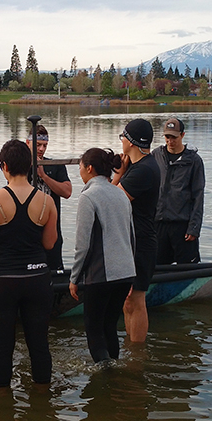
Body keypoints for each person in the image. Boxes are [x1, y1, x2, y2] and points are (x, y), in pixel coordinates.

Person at [0, 140, 58, 388]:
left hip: (2, 281)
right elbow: (49, 243)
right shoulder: (46, 201)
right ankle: (43, 404)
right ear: (30, 166)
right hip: (37, 279)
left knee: (2, 350)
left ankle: (1, 410)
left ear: (5, 166)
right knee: (39, 346)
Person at [68, 147, 136, 363]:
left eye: (80, 167)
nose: (79, 172)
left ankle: (104, 379)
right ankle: (115, 372)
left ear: (89, 168)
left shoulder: (88, 196)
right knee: (110, 327)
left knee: (94, 329)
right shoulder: (120, 194)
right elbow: (132, 236)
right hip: (126, 272)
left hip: (101, 274)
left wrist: (74, 278)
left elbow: (82, 244)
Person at [112, 118, 160, 343]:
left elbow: (111, 200)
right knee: (127, 300)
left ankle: (137, 354)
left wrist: (118, 175)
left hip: (140, 242)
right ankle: (132, 347)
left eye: (123, 136)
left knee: (136, 300)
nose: (121, 140)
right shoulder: (139, 167)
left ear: (130, 141)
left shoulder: (144, 170)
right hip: (131, 241)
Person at [153, 117, 206, 264]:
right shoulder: (156, 156)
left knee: (188, 269)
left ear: (182, 135)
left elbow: (198, 196)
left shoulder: (194, 161)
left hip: (183, 226)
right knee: (157, 269)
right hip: (159, 224)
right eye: (167, 137)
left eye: (174, 137)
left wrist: (194, 228)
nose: (170, 141)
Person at [28, 124, 72, 271]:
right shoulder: (20, 166)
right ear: (28, 143)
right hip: (28, 234)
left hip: (52, 232)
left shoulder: (55, 165)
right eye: (38, 145)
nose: (41, 149)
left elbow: (67, 192)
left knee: (54, 272)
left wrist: (44, 176)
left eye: (45, 145)